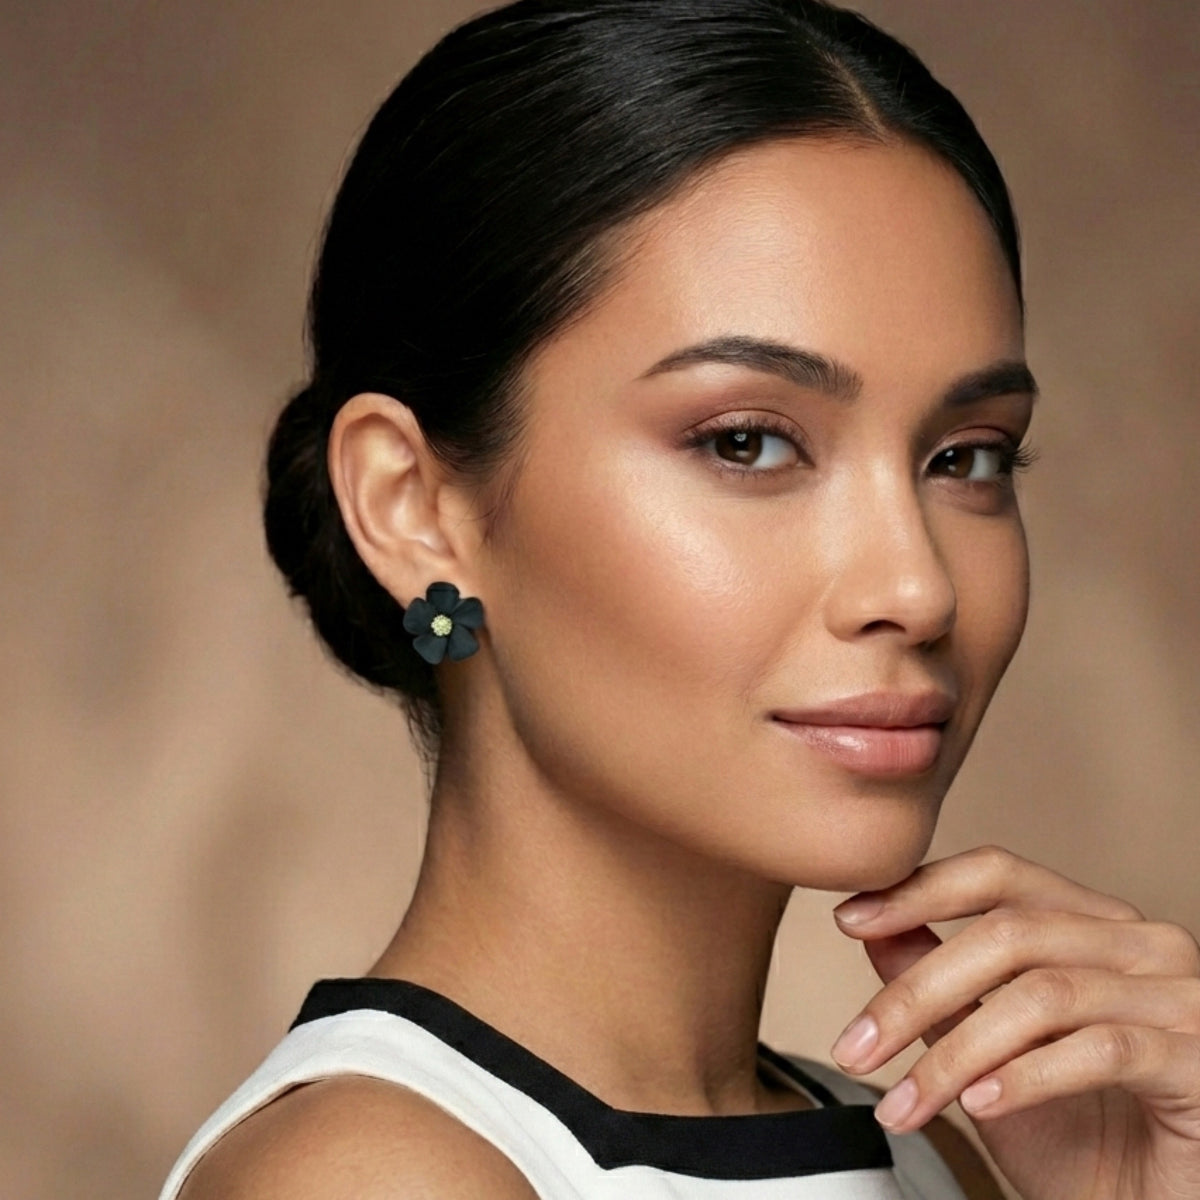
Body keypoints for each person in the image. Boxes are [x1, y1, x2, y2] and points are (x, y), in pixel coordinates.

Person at [159, 1, 1200, 1197]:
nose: (915, 587)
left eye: (966, 456)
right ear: (415, 507)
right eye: (749, 442)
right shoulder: (371, 1176)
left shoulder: (937, 1150)